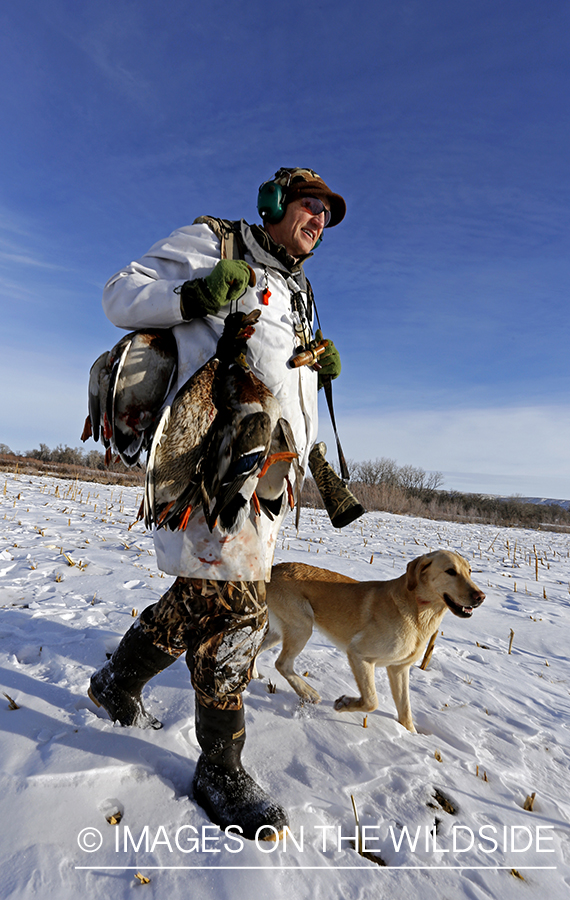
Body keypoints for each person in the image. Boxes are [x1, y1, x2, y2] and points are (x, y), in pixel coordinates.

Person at [88, 167, 345, 841]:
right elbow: (120, 295)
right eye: (308, 206)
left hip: (270, 476)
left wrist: (317, 367)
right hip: (209, 463)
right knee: (238, 607)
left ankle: (116, 682)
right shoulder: (218, 242)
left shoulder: (302, 290)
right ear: (273, 205)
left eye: (326, 214)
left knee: (202, 597)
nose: (317, 220)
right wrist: (196, 293)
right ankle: (220, 765)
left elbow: (276, 374)